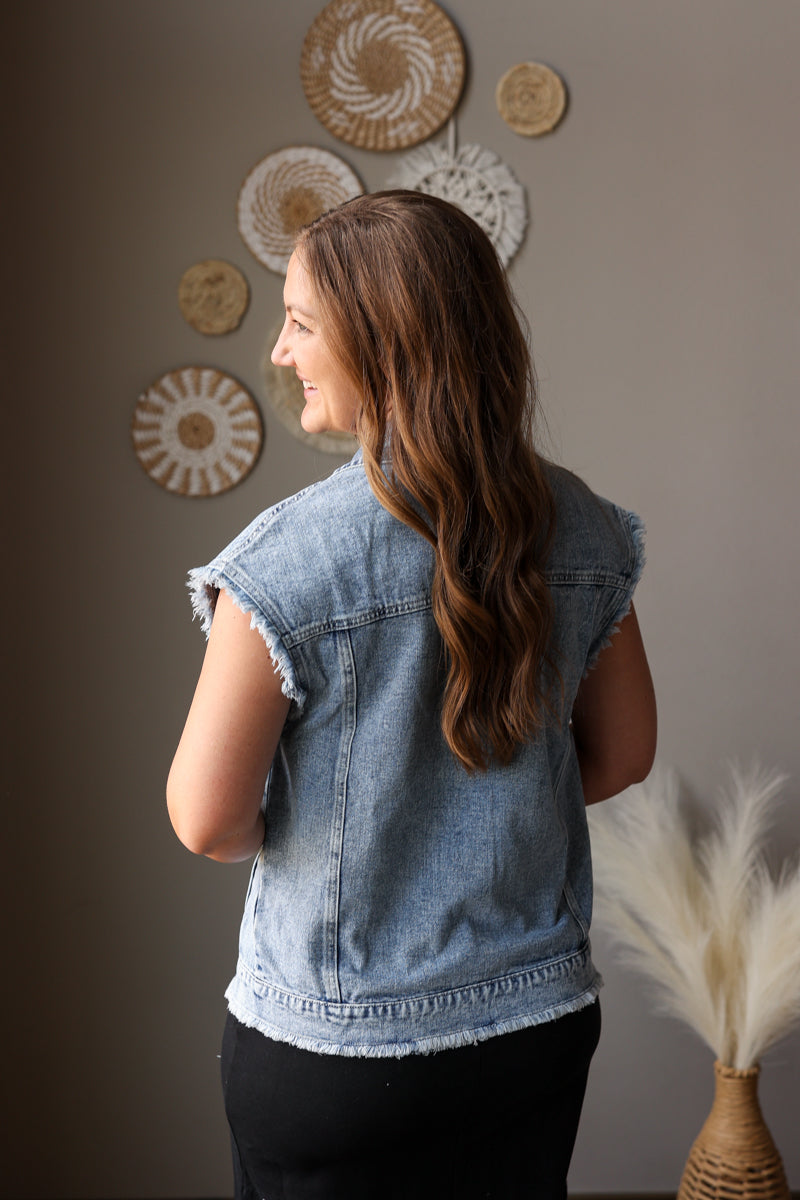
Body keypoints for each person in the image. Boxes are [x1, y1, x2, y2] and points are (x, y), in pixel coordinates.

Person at [167, 190, 656, 1199]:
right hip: (533, 1033)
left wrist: (360, 831)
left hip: (337, 1056)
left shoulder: (288, 560)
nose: (278, 350)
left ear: (381, 345)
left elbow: (207, 822)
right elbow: (618, 758)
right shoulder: (586, 531)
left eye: (300, 322)